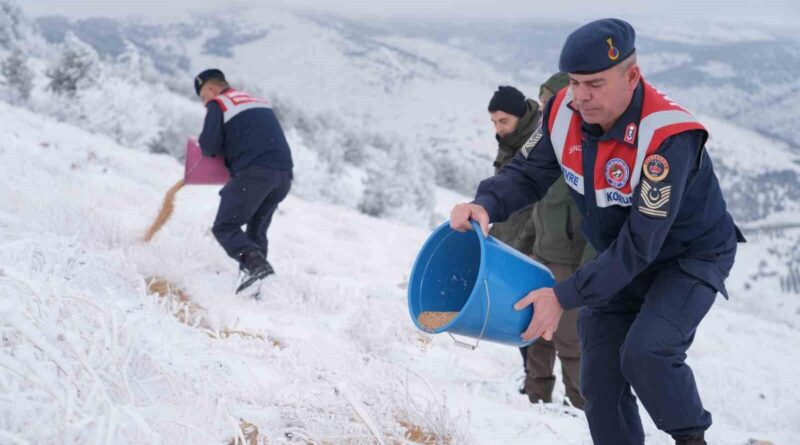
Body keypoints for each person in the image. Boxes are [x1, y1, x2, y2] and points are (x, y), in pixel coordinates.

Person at [450, 19, 744, 445]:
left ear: (631, 75)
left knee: (647, 353)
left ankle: (691, 439)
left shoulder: (666, 137)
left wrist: (563, 296)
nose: (582, 96)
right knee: (599, 377)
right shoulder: (560, 113)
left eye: (595, 83)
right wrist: (485, 204)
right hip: (617, 257)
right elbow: (529, 173)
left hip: (686, 258)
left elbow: (642, 243)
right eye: (574, 82)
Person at [486, 81, 588, 409]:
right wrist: (523, 247)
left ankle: (582, 405)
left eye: (552, 107)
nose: (548, 114)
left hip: (569, 260)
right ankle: (535, 398)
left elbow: (594, 223)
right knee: (535, 333)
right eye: (545, 108)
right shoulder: (543, 149)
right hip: (538, 254)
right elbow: (538, 211)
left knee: (570, 340)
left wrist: (588, 273)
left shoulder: (578, 154)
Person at [195, 69, 293, 294]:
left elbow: (209, 146)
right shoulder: (258, 101)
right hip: (284, 176)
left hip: (255, 174)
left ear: (210, 89)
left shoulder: (219, 103)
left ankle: (257, 268)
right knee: (256, 232)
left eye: (202, 97)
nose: (204, 103)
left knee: (225, 226)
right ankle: (254, 289)